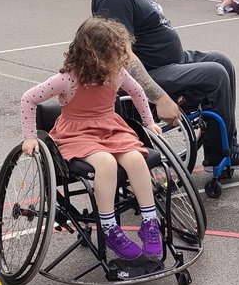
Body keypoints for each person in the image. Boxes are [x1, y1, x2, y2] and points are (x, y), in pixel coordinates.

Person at [91, 0, 239, 171]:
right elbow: (121, 56)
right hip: (153, 73)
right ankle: (220, 153)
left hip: (170, 62)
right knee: (215, 73)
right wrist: (158, 96)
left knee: (221, 60)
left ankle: (225, 146)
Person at [19, 17, 163, 261]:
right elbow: (28, 98)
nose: (120, 58)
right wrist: (30, 137)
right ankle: (109, 228)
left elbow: (138, 92)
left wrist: (149, 122)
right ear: (96, 55)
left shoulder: (116, 73)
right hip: (77, 133)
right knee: (106, 163)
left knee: (138, 159)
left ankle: (149, 222)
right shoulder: (68, 79)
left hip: (110, 127)